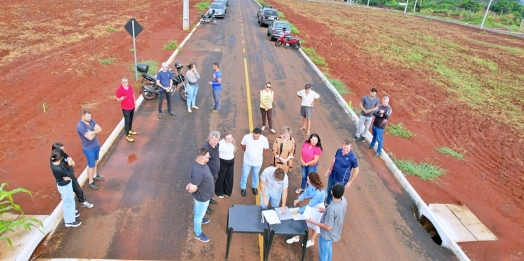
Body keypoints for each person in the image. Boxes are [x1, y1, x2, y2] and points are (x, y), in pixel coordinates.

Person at [306, 184, 347, 261]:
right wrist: (325, 210)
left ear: (331, 192)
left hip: (327, 235)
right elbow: (337, 212)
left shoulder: (332, 209)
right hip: (335, 232)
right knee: (328, 248)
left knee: (323, 253)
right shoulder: (343, 200)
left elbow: (328, 227)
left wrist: (313, 222)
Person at [287, 172, 326, 248]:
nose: (307, 181)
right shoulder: (311, 186)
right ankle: (296, 237)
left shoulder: (319, 192)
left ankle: (311, 240)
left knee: (315, 224)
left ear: (313, 181)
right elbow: (306, 192)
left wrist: (300, 211)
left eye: (308, 180)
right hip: (312, 205)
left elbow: (310, 205)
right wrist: (298, 199)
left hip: (318, 208)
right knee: (302, 220)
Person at [51, 142, 93, 208]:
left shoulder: (61, 154)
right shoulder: (57, 164)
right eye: (62, 150)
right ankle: (72, 210)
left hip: (70, 177)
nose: (64, 151)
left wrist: (71, 161)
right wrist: (70, 165)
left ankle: (82, 201)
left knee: (78, 189)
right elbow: (69, 173)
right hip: (65, 181)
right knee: (68, 197)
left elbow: (69, 159)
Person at [186, 149, 214, 243]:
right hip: (202, 197)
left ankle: (200, 219)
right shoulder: (198, 172)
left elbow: (195, 182)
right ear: (202, 159)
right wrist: (190, 187)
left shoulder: (198, 163)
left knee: (198, 210)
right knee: (198, 215)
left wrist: (191, 184)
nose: (209, 158)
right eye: (207, 157)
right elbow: (193, 188)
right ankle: (198, 234)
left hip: (202, 195)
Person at [50, 149, 81, 227]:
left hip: (63, 183)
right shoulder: (58, 169)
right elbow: (70, 174)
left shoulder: (52, 160)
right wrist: (70, 165)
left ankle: (71, 214)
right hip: (65, 186)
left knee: (68, 201)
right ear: (60, 158)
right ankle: (69, 221)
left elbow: (67, 175)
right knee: (69, 202)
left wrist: (67, 176)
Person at [76, 108, 105, 190]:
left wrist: (93, 132)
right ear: (82, 116)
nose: (90, 118)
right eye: (88, 117)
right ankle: (91, 181)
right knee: (91, 165)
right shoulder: (80, 126)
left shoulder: (91, 121)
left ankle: (95, 175)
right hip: (89, 149)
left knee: (95, 161)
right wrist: (95, 131)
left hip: (96, 145)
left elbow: (100, 129)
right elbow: (89, 138)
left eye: (90, 116)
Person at [324, 139, 359, 205]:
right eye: (344, 147)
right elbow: (334, 161)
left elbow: (356, 170)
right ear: (342, 146)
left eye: (347, 148)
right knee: (329, 190)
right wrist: (329, 169)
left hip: (341, 180)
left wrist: (350, 182)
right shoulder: (339, 151)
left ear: (351, 148)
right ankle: (328, 202)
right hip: (332, 176)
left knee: (337, 194)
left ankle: (335, 206)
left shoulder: (352, 158)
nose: (345, 149)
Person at [240, 128, 269, 196]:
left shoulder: (264, 139)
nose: (255, 138)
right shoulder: (247, 137)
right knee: (244, 175)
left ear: (260, 135)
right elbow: (242, 144)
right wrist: (246, 152)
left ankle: (254, 187)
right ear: (252, 133)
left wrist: (259, 153)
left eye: (257, 136)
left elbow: (266, 148)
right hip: (247, 161)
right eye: (254, 136)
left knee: (255, 175)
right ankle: (243, 188)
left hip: (257, 162)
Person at [202, 131, 220, 214]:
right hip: (208, 174)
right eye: (213, 140)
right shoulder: (206, 149)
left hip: (214, 172)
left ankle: (209, 200)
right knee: (206, 190)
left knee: (211, 188)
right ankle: (205, 207)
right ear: (210, 138)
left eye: (217, 140)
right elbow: (202, 162)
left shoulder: (216, 145)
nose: (215, 142)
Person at [215, 130, 236, 198]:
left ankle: (227, 191)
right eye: (227, 139)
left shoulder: (232, 141)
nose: (229, 140)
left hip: (231, 160)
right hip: (223, 161)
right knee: (221, 177)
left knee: (229, 176)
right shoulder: (220, 143)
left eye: (230, 138)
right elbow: (217, 152)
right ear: (224, 138)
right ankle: (219, 192)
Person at [116, 76, 137, 142]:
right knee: (127, 121)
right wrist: (120, 99)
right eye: (125, 82)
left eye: (127, 81)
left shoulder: (130, 87)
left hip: (132, 106)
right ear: (121, 82)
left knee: (131, 119)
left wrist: (135, 103)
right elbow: (118, 99)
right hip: (125, 108)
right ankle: (127, 135)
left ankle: (130, 130)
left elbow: (133, 95)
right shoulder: (119, 90)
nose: (126, 83)